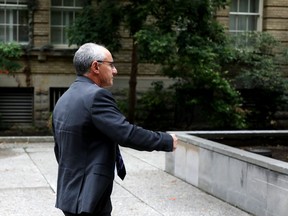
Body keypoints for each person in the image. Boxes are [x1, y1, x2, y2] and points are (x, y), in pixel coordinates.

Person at [52, 42, 178, 216]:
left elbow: (59, 149)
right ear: (95, 66)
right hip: (89, 195)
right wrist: (166, 140)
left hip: (70, 194)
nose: (115, 70)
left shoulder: (64, 98)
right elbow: (127, 133)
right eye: (110, 64)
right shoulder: (97, 96)